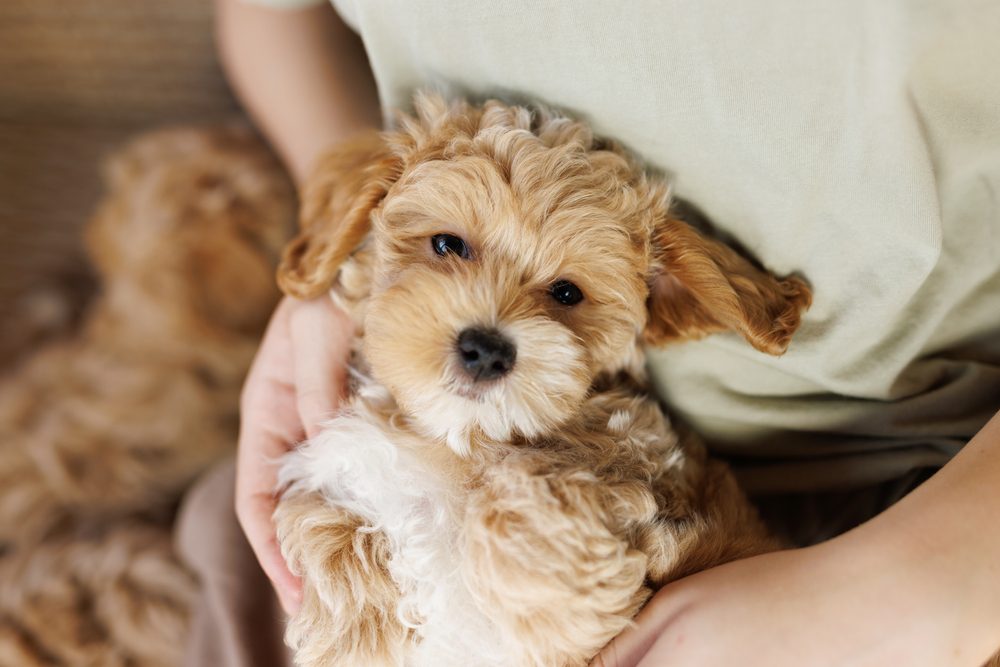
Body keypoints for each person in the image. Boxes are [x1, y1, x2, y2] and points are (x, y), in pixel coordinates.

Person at [177, 0, 1000, 665]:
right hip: (414, 452)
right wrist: (358, 246)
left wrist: (914, 586)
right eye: (453, 247)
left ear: (667, 292)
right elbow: (275, 15)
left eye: (565, 291)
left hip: (934, 497)